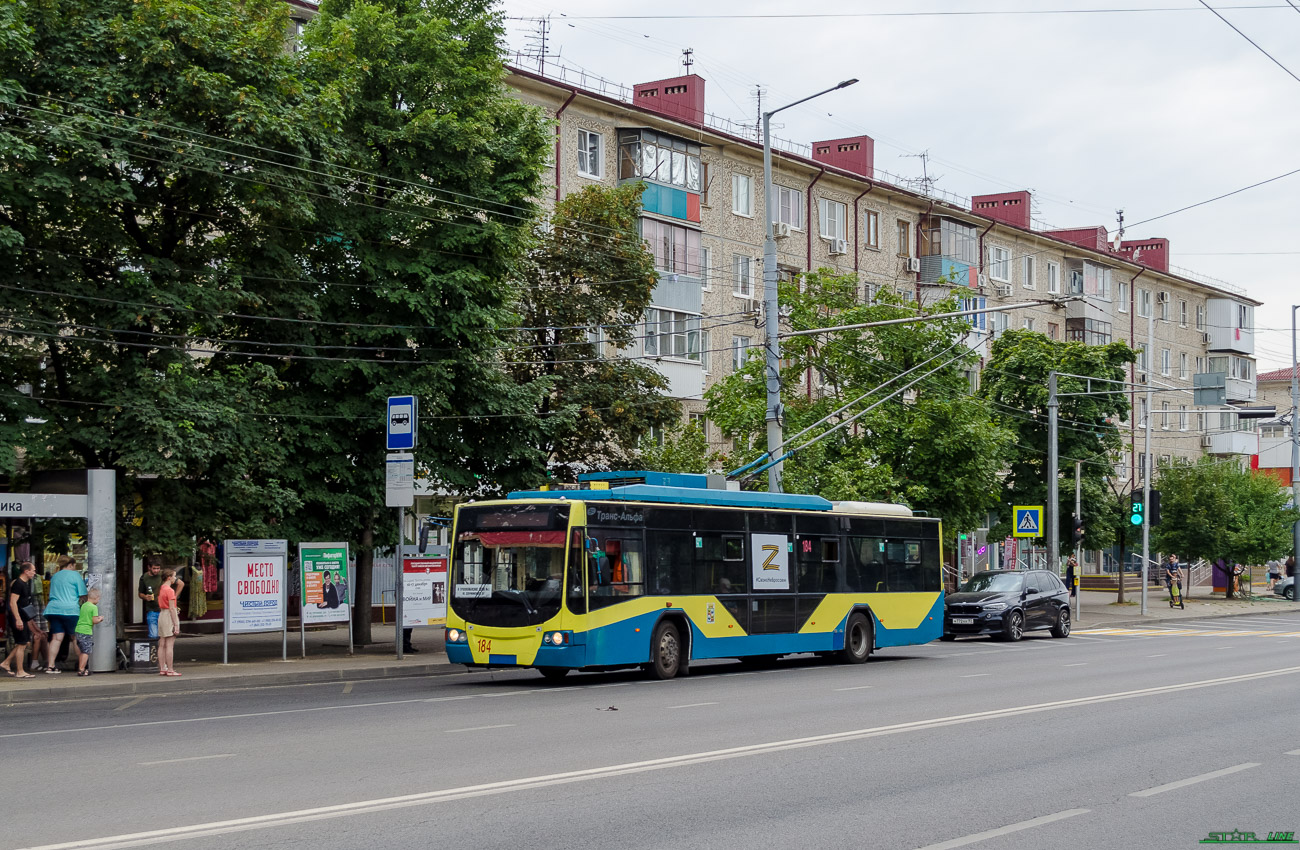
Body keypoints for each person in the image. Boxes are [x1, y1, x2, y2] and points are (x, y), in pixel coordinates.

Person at [43, 555, 87, 674]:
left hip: (53, 609)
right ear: (71, 564)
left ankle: (50, 666)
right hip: (70, 610)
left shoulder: (55, 576)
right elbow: (82, 594)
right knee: (75, 637)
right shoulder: (75, 575)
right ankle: (82, 667)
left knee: (56, 638)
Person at [2, 561, 39, 678]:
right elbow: (13, 602)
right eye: (32, 570)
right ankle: (20, 671)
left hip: (23, 617)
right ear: (26, 571)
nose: (34, 573)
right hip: (18, 617)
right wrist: (18, 619)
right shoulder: (18, 584)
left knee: (23, 643)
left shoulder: (24, 583)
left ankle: (6, 663)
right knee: (22, 644)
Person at [139, 560, 184, 639]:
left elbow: (181, 583)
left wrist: (174, 597)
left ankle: (159, 650)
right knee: (154, 635)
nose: (156, 570)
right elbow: (140, 593)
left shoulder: (164, 574)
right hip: (152, 609)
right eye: (154, 568)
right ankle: (155, 650)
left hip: (164, 610)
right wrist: (145, 597)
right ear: (149, 568)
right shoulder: (144, 577)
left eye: (158, 568)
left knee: (164, 636)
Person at [157, 568, 181, 677]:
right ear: (169, 577)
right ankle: (170, 669)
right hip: (168, 616)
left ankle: (163, 668)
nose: (175, 578)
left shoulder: (161, 588)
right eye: (174, 576)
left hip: (161, 615)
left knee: (162, 644)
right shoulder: (170, 591)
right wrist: (176, 624)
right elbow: (172, 609)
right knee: (170, 644)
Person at [74, 587, 104, 677]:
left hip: (78, 629)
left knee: (82, 651)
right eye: (99, 598)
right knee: (86, 651)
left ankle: (81, 667)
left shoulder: (84, 605)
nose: (99, 600)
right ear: (96, 597)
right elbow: (94, 620)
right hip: (86, 631)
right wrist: (100, 618)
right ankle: (81, 669)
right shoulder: (94, 607)